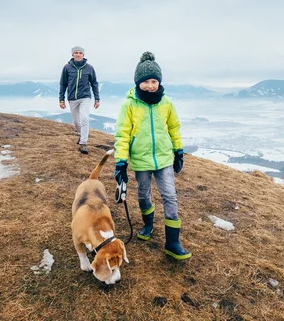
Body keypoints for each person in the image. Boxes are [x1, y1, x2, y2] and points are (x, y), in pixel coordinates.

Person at [113, 51, 191, 260]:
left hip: (164, 158)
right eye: (146, 81)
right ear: (138, 82)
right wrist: (121, 162)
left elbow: (174, 127)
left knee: (170, 197)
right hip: (141, 160)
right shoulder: (129, 104)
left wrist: (178, 150)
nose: (150, 85)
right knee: (143, 195)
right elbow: (122, 134)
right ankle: (148, 225)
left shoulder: (166, 103)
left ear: (159, 82)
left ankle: (172, 243)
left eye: (154, 81)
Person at [59, 46, 100, 154]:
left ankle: (83, 143)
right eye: (76, 53)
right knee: (76, 122)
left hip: (85, 97)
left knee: (84, 119)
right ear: (72, 55)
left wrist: (97, 98)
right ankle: (81, 135)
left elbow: (94, 84)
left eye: (80, 53)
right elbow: (63, 84)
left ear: (83, 55)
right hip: (72, 98)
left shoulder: (89, 68)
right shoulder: (67, 68)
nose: (78, 54)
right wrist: (61, 99)